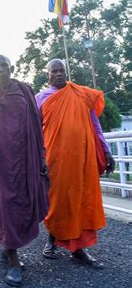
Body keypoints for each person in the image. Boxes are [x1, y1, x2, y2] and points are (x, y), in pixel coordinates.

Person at [0, 54, 49, 287]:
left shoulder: (25, 91)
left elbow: (36, 126)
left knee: (24, 203)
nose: (1, 70)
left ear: (12, 68)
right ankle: (14, 261)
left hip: (25, 160)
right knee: (4, 206)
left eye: (5, 66)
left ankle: (8, 246)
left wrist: (42, 156)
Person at [36, 59, 115, 269]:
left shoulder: (80, 93)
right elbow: (33, 132)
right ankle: (52, 241)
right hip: (55, 160)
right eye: (54, 71)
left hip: (82, 158)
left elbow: (95, 125)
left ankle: (78, 250)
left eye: (62, 70)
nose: (59, 74)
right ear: (48, 75)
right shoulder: (40, 99)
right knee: (58, 201)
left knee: (81, 199)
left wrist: (106, 151)